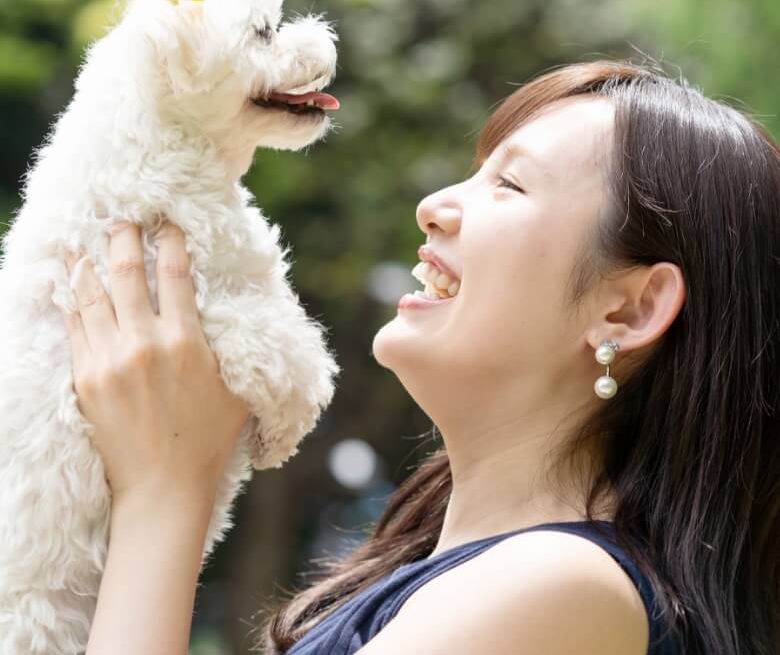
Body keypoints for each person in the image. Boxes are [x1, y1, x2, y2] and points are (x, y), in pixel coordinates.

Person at [57, 59, 780, 655]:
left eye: (510, 183)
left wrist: (166, 489)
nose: (434, 204)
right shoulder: (469, 571)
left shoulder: (556, 588)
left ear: (628, 309)